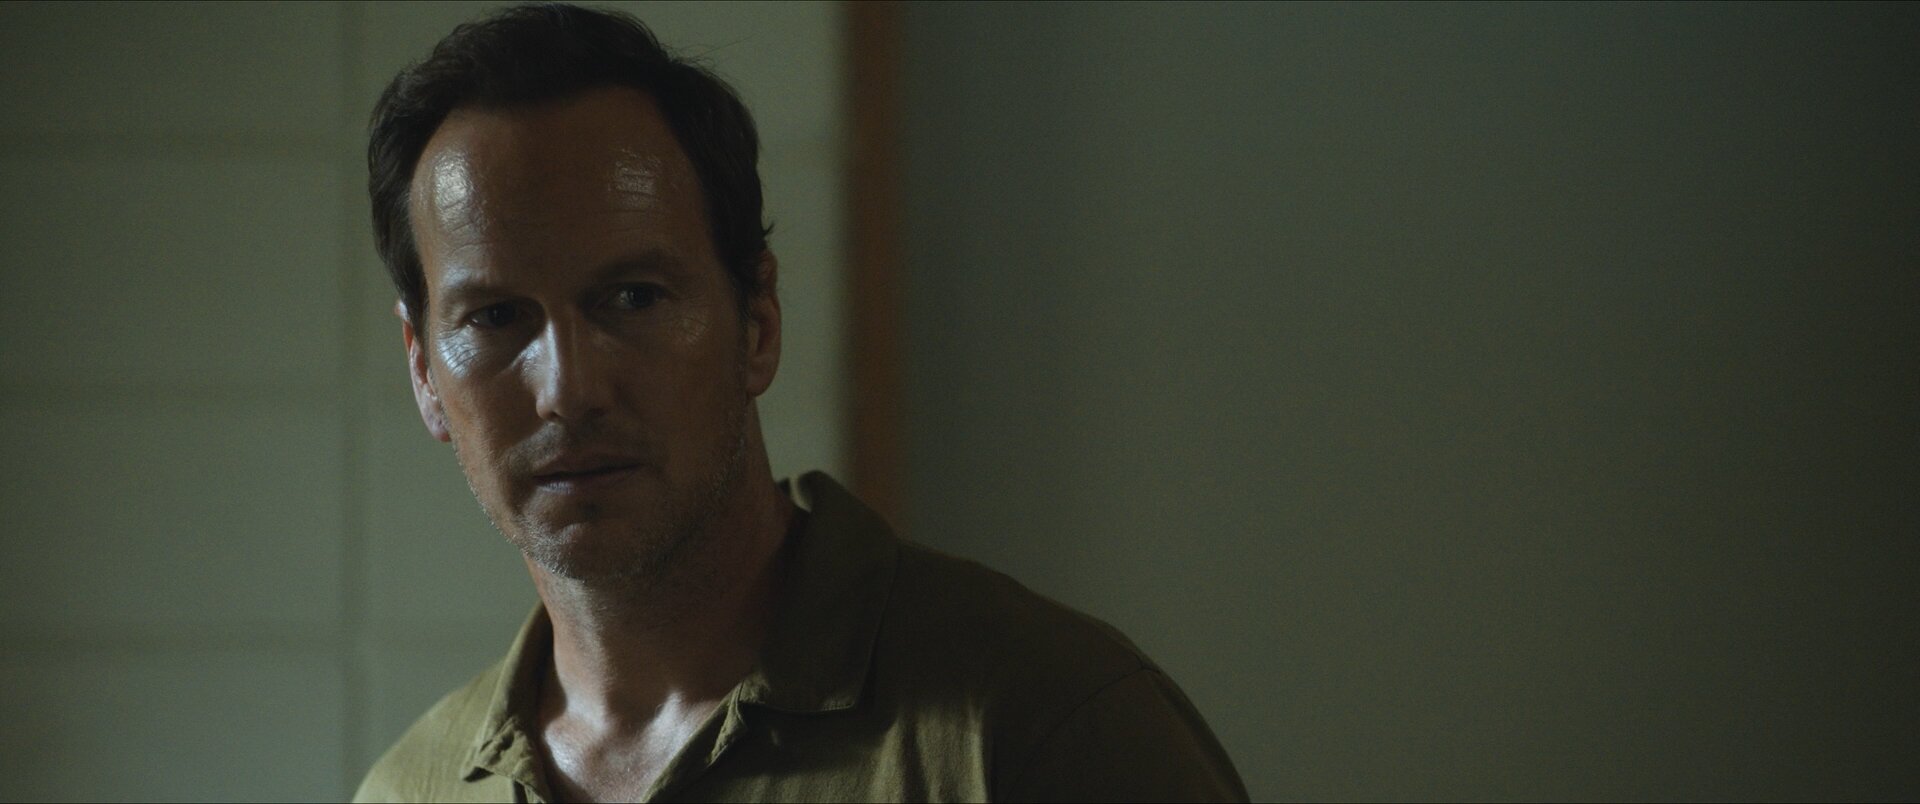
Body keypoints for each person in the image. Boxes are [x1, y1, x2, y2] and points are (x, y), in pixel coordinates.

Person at [353, 4, 1247, 802]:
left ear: (758, 324)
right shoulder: (410, 791)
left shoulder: (1040, 726)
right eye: (496, 318)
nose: (568, 388)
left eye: (633, 298)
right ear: (425, 372)